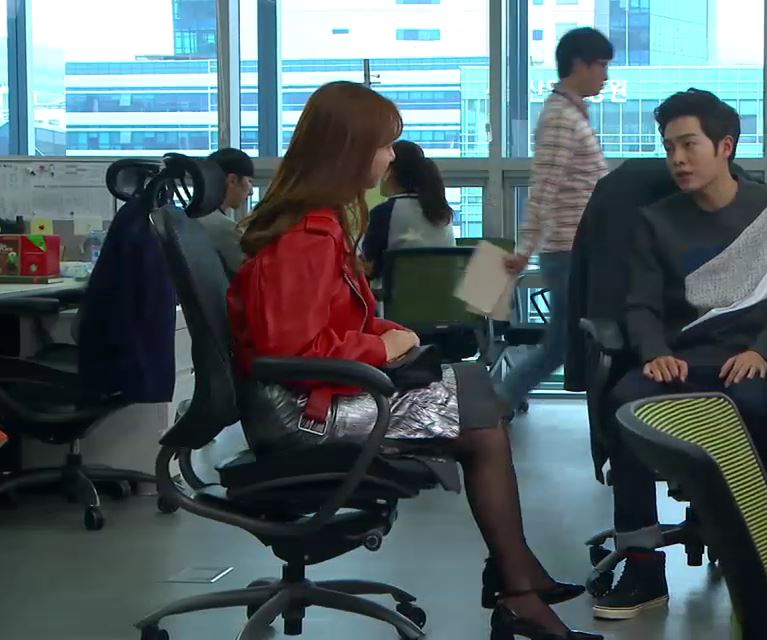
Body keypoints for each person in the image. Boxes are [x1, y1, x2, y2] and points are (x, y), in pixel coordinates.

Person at [227, 81, 601, 640]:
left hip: (316, 397)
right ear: (350, 149)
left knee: (475, 392)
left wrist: (387, 331)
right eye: (383, 145)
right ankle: (518, 586)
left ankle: (517, 577)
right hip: (304, 417)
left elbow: (334, 320)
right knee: (481, 419)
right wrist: (382, 347)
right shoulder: (306, 237)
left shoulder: (321, 225)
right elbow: (295, 352)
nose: (390, 157)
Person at [592, 89, 767, 622]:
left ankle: (760, 566)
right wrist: (653, 352)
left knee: (757, 408)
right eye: (669, 147)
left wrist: (762, 350)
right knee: (625, 405)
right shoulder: (654, 220)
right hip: (680, 362)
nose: (677, 159)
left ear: (725, 146)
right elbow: (640, 305)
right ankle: (643, 569)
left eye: (689, 145)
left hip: (748, 362)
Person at [500, 28, 613, 415]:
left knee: (566, 341)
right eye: (601, 65)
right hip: (567, 250)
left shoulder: (571, 112)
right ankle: (496, 404)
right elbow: (544, 188)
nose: (606, 76)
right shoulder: (560, 118)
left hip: (579, 248)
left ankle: (499, 402)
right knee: (562, 344)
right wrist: (523, 250)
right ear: (579, 64)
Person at [362, 140, 456, 280]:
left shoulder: (384, 213)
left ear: (390, 171)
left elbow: (369, 268)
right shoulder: (443, 213)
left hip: (397, 294)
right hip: (445, 294)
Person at [197, 147, 254, 277]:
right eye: (249, 181)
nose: (251, 192)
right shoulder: (224, 227)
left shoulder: (193, 217)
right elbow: (253, 275)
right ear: (232, 180)